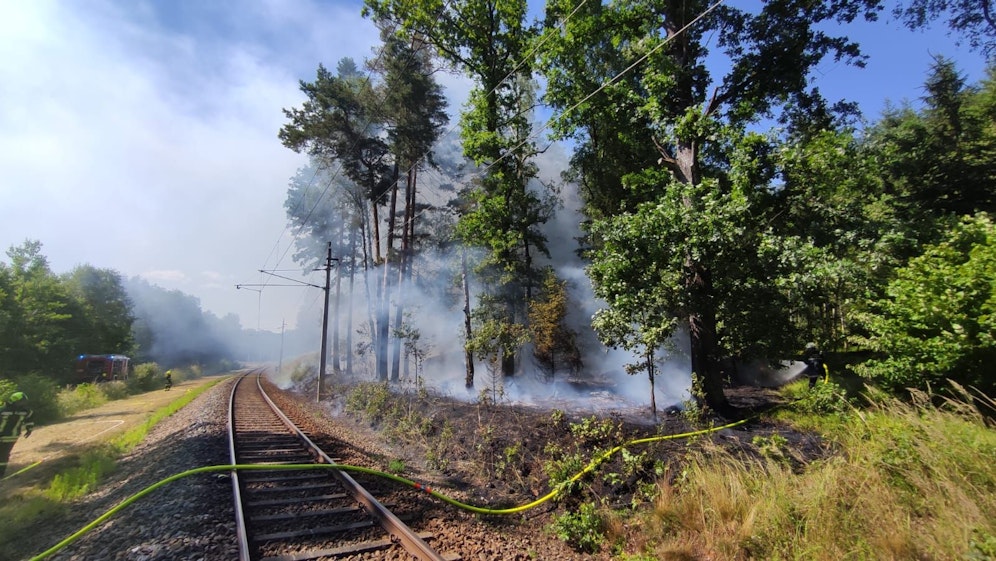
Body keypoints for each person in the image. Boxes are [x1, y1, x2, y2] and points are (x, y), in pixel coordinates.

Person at [0, 391, 34, 477]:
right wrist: (29, 428)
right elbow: (30, 417)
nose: (23, 404)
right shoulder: (25, 411)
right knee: (4, 455)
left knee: (4, 455)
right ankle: (1, 473)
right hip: (12, 437)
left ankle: (1, 473)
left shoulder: (3, 410)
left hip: (6, 437)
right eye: (21, 402)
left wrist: (29, 428)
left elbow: (30, 417)